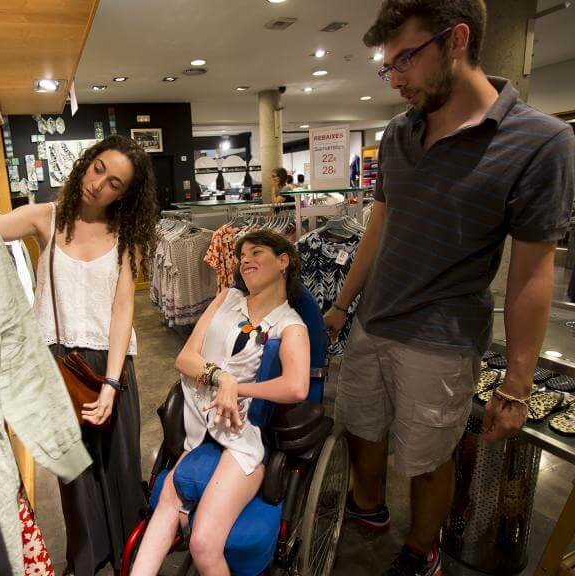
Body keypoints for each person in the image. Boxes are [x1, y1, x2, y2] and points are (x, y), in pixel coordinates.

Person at [323, 2, 575, 575]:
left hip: (441, 338)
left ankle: (421, 551)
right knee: (362, 428)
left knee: (427, 458)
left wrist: (517, 382)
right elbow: (378, 227)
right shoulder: (398, 133)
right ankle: (370, 511)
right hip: (373, 322)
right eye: (388, 66)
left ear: (457, 39)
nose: (397, 77)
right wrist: (343, 304)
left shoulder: (541, 142)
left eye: (406, 58)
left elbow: (532, 272)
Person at [0, 127, 160, 576]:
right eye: (99, 168)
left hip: (111, 366)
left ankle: (127, 557)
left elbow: (123, 310)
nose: (98, 183)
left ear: (126, 194)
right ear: (89, 161)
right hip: (55, 366)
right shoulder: (47, 217)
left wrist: (113, 383)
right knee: (73, 479)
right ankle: (84, 562)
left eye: (114, 182)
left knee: (118, 468)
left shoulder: (125, 236)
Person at [131, 230, 310, 576]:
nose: (246, 260)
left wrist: (240, 391)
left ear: (283, 261)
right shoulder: (227, 298)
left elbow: (297, 386)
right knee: (168, 501)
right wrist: (223, 379)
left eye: (256, 252)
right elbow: (185, 358)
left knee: (202, 543)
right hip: (199, 427)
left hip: (241, 438)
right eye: (242, 255)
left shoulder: (291, 324)